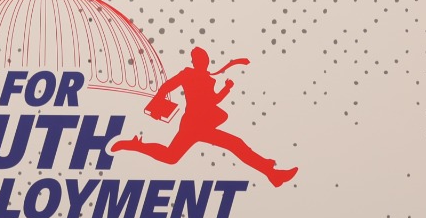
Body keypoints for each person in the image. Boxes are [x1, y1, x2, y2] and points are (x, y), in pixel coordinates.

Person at [109, 46, 297, 188]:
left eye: (204, 59)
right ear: (194, 61)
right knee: (171, 157)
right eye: (198, 59)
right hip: (192, 124)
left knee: (235, 144)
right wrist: (158, 102)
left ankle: (272, 174)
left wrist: (226, 88)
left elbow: (213, 101)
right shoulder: (187, 74)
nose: (202, 62)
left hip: (203, 125)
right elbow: (167, 86)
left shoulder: (208, 79)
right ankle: (135, 145)